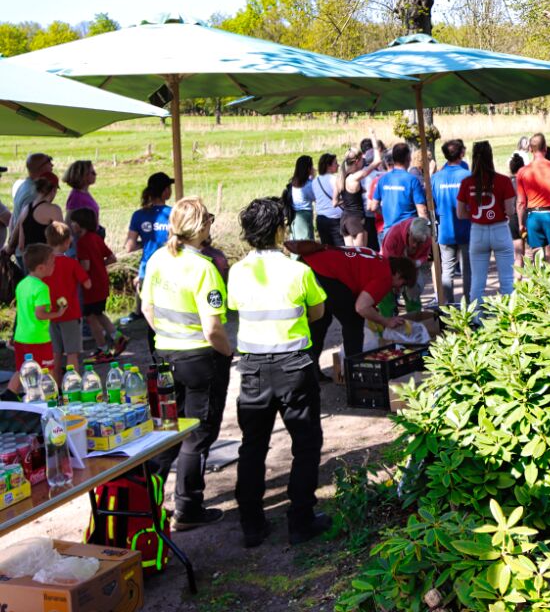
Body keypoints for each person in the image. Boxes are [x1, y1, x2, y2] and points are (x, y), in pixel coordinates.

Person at [227, 198, 329, 548]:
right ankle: (300, 519)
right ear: (279, 230)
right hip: (293, 366)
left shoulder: (237, 271)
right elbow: (317, 312)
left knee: (252, 446)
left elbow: (235, 308)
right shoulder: (297, 270)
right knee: (306, 443)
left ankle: (251, 524)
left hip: (253, 367)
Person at [140, 197, 232, 531]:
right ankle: (189, 508)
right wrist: (227, 352)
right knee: (197, 435)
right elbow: (213, 328)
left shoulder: (157, 259)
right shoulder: (205, 268)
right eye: (209, 218)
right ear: (202, 227)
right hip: (200, 360)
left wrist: (167, 335)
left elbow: (147, 308)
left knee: (166, 433)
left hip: (166, 355)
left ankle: (148, 503)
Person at [297, 244, 414, 366]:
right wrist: (385, 321)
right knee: (353, 322)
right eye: (403, 284)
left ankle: (311, 370)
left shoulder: (380, 261)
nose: (400, 288)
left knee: (321, 320)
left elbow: (363, 298)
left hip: (309, 263)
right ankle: (354, 373)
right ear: (398, 274)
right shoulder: (385, 276)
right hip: (322, 270)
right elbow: (361, 307)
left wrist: (377, 318)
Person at [458, 141, 517, 304]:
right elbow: (510, 211)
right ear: (491, 156)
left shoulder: (467, 182)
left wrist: (477, 213)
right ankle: (509, 319)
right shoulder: (503, 180)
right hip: (500, 230)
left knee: (477, 281)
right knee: (506, 280)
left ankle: (477, 319)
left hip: (477, 231)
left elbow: (460, 213)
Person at [3, 244, 63, 400]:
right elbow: (40, 314)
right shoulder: (42, 288)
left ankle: (9, 394)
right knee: (48, 368)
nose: (54, 266)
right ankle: (54, 396)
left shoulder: (22, 284)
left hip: (21, 336)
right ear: (42, 267)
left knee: (22, 368)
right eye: (52, 263)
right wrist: (58, 312)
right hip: (38, 338)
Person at [68, 208, 121, 360]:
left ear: (80, 224)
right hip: (102, 282)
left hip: (91, 286)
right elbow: (112, 258)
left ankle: (102, 349)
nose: (71, 225)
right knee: (99, 314)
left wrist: (73, 270)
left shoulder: (83, 242)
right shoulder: (96, 238)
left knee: (91, 318)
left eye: (74, 222)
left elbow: (85, 267)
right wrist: (100, 264)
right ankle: (117, 338)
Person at [516, 133, 550, 262]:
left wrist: (520, 224)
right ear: (545, 148)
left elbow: (520, 203)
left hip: (534, 217)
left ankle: (540, 281)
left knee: (537, 256)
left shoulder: (522, 172)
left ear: (530, 149)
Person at [42, 222, 89, 374]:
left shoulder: (43, 265)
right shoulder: (71, 263)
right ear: (67, 241)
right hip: (70, 313)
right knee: (72, 353)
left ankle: (55, 387)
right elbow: (87, 284)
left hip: (50, 313)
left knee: (55, 353)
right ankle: (72, 386)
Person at [432, 139, 472, 304]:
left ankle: (447, 304)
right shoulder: (468, 176)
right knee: (467, 270)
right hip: (467, 228)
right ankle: (469, 304)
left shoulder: (435, 178)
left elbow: (432, 203)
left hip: (445, 229)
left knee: (447, 269)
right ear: (461, 153)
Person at [125, 173, 173, 287]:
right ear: (166, 191)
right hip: (171, 270)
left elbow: (129, 247)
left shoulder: (138, 215)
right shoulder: (175, 213)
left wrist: (147, 242)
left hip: (147, 270)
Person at [335, 135, 383, 248]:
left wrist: (351, 200)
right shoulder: (355, 177)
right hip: (355, 220)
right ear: (357, 161)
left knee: (350, 257)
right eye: (362, 160)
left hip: (344, 220)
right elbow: (377, 161)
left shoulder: (340, 177)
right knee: (360, 255)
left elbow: (336, 201)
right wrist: (373, 138)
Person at [370, 143, 427, 237]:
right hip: (408, 232)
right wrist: (425, 231)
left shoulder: (383, 179)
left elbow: (373, 207)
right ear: (408, 158)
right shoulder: (412, 180)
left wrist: (386, 214)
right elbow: (421, 211)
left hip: (388, 231)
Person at [378, 217, 432, 315]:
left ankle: (416, 320)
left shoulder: (427, 238)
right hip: (389, 266)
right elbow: (388, 261)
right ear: (409, 232)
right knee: (386, 292)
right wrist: (395, 282)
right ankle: (386, 322)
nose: (415, 245)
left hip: (411, 266)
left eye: (419, 242)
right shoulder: (394, 235)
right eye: (414, 240)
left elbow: (424, 256)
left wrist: (417, 263)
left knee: (413, 291)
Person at [12, 153, 53, 230]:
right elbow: (25, 224)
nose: (52, 165)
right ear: (41, 167)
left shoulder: (25, 185)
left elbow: (13, 218)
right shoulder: (33, 193)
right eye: (49, 161)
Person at [310, 153, 343, 246]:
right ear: (328, 166)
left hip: (321, 219)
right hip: (335, 219)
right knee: (340, 249)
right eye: (335, 163)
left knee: (327, 248)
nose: (338, 165)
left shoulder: (315, 181)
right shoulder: (334, 179)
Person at [284, 155, 316, 241]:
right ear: (308, 169)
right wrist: (313, 178)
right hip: (305, 215)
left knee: (295, 240)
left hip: (293, 214)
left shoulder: (292, 182)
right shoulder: (309, 184)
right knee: (307, 241)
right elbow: (315, 198)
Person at [507, 155, 527, 272]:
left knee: (518, 255)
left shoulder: (508, 182)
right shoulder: (526, 180)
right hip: (526, 216)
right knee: (532, 252)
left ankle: (518, 282)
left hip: (512, 219)